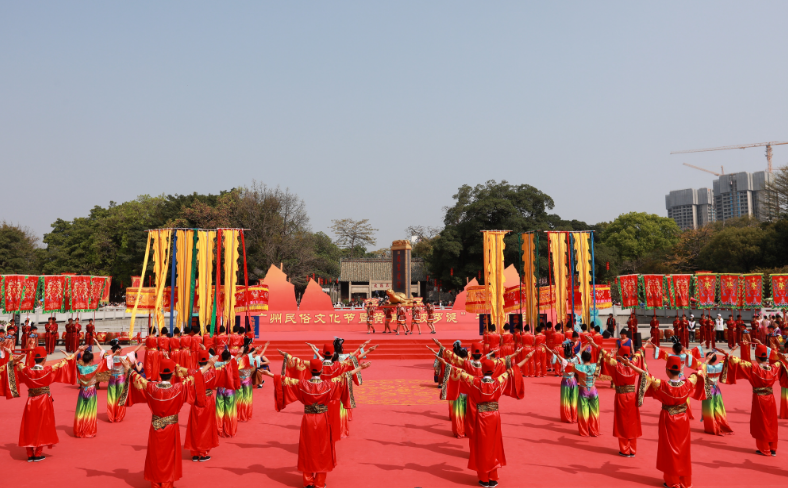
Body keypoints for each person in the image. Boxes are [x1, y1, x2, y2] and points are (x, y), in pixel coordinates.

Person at [264, 357, 370, 488]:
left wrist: (268, 374)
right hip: (322, 419)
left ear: (310, 370)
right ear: (321, 370)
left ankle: (308, 481)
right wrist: (360, 368)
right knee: (322, 449)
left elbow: (284, 379)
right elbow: (344, 376)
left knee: (307, 449)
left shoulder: (302, 384)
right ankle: (319, 482)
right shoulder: (328, 384)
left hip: (308, 419)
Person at [437, 355, 528, 488]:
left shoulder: (475, 381)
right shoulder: (499, 381)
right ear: (493, 370)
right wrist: (528, 357)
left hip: (481, 416)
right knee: (494, 445)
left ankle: (484, 478)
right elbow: (514, 368)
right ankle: (493, 477)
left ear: (483, 370)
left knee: (482, 446)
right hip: (495, 416)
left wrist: (444, 362)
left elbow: (458, 372)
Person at [127, 356, 213, 488]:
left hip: (155, 427)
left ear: (160, 374)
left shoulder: (151, 387)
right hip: (171, 428)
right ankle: (167, 482)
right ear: (172, 375)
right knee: (169, 455)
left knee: (156, 455)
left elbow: (137, 378)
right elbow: (195, 376)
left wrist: (128, 369)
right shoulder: (178, 388)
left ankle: (156, 482)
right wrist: (209, 364)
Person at [623, 355, 705, 488]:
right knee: (683, 450)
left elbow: (645, 374)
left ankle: (672, 481)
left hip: (668, 418)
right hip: (683, 419)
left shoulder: (662, 385)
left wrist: (630, 365)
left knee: (670, 450)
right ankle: (685, 481)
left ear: (667, 370)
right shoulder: (688, 383)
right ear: (680, 369)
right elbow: (700, 372)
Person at [4, 344, 78, 462]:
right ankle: (38, 453)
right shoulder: (48, 370)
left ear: (34, 359)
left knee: (29, 426)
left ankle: (29, 454)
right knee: (42, 425)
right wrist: (78, 351)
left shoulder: (26, 370)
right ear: (44, 359)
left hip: (31, 401)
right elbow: (64, 363)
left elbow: (16, 364)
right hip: (44, 401)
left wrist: (10, 353)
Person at [718, 343, 787, 456]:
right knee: (771, 422)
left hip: (759, 399)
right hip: (770, 398)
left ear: (757, 357)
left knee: (761, 423)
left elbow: (737, 362)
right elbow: (782, 359)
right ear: (766, 357)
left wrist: (727, 354)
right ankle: (773, 448)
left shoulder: (753, 368)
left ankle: (764, 449)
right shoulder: (775, 367)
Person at [599, 344, 646, 457]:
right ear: (629, 355)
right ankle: (632, 449)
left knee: (622, 422)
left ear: (620, 354)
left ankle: (624, 449)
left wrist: (611, 353)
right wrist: (646, 344)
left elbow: (606, 357)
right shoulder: (633, 365)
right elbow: (638, 353)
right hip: (632, 396)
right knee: (632, 422)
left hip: (621, 396)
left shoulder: (617, 366)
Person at [184, 350, 222, 462]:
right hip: (208, 401)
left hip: (196, 401)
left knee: (195, 426)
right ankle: (203, 453)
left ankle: (195, 453)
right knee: (206, 426)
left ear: (198, 361)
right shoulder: (212, 373)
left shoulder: (192, 373)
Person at [74, 340, 110, 438]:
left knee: (81, 410)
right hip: (91, 391)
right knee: (90, 411)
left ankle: (79, 429)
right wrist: (110, 352)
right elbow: (106, 359)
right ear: (91, 360)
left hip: (82, 391)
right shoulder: (95, 367)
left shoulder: (79, 367)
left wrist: (78, 351)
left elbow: (70, 360)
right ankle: (89, 430)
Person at [698, 350, 734, 436]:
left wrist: (706, 360)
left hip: (708, 390)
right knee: (718, 408)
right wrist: (731, 351)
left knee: (709, 410)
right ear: (715, 359)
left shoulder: (706, 367)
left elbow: (700, 368)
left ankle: (712, 428)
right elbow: (726, 359)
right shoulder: (719, 366)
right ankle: (721, 425)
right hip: (717, 389)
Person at [108, 342, 143, 422]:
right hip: (120, 379)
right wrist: (142, 344)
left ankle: (111, 415)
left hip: (112, 379)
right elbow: (134, 351)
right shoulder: (123, 358)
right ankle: (119, 416)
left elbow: (102, 351)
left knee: (111, 398)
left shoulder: (110, 358)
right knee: (120, 397)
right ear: (119, 350)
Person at [546, 343, 579, 423]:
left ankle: (567, 417)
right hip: (573, 380)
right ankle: (575, 416)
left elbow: (557, 358)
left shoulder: (562, 361)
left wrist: (548, 348)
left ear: (564, 353)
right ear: (571, 353)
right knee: (574, 399)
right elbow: (580, 352)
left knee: (565, 399)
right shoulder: (575, 360)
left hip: (565, 381)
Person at [573, 344, 602, 437]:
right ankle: (594, 431)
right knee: (594, 412)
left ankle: (584, 431)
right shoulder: (596, 366)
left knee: (583, 412)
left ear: (582, 358)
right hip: (593, 390)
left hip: (583, 390)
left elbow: (570, 364)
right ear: (590, 358)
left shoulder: (578, 367)